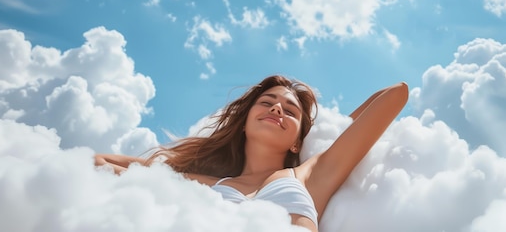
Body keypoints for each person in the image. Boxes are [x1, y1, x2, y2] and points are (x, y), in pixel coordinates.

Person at [94, 75, 409, 231]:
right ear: (244, 124)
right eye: (267, 102)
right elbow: (105, 161)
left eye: (290, 111)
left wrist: (333, 131)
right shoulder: (205, 186)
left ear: (298, 142)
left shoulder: (311, 174)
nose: (276, 108)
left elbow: (396, 94)